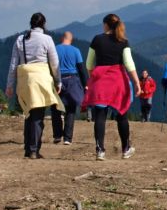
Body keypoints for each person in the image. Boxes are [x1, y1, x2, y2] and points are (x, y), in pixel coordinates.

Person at [81, 14, 142, 160]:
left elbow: (89, 64)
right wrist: (137, 83)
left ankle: (100, 150)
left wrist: (94, 77)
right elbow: (129, 63)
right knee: (122, 116)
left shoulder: (97, 39)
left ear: (106, 25)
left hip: (100, 82)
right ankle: (126, 149)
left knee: (100, 116)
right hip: (118, 81)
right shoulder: (123, 41)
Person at [5, 12, 63, 159]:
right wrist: (58, 81)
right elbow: (54, 64)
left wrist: (10, 85)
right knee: (38, 115)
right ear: (44, 24)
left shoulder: (20, 39)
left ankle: (28, 147)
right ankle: (33, 149)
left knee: (28, 113)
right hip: (42, 79)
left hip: (25, 80)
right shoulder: (47, 39)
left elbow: (13, 64)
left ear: (30, 23)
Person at [51, 31, 87, 144]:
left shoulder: (55, 49)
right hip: (72, 80)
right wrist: (85, 84)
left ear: (62, 38)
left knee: (56, 107)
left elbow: (50, 66)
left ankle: (57, 135)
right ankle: (67, 138)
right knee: (71, 109)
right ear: (71, 40)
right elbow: (81, 69)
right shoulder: (76, 51)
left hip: (57, 80)